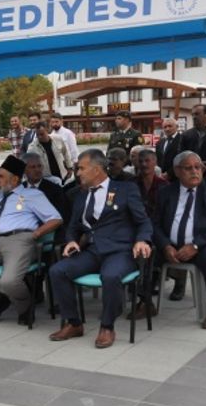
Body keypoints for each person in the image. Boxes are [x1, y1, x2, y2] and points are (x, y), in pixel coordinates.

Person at [48, 149, 152, 349]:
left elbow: (143, 221)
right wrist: (71, 240)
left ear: (96, 170)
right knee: (57, 271)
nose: (78, 173)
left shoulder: (125, 189)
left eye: (81, 168)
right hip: (92, 251)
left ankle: (107, 326)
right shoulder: (81, 196)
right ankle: (74, 323)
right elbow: (72, 227)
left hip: (120, 251)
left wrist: (142, 240)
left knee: (111, 276)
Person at [0, 156, 62, 325]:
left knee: (8, 281)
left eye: (1, 177)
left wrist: (36, 234)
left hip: (19, 241)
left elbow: (55, 219)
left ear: (15, 179)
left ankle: (25, 307)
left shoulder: (32, 195)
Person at [149, 152, 206, 329]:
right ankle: (145, 302)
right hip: (171, 247)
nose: (194, 172)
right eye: (188, 168)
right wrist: (165, 245)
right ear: (177, 171)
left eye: (198, 167)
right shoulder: (166, 192)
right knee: (144, 252)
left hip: (202, 245)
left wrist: (196, 245)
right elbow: (154, 224)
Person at [22, 152, 70, 225]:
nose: (37, 170)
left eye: (39, 166)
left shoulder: (55, 190)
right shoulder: (19, 190)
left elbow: (62, 216)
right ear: (24, 170)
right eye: (33, 167)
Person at [135, 149, 167, 216]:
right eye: (140, 161)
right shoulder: (131, 183)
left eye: (147, 161)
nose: (144, 164)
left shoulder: (164, 185)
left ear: (155, 162)